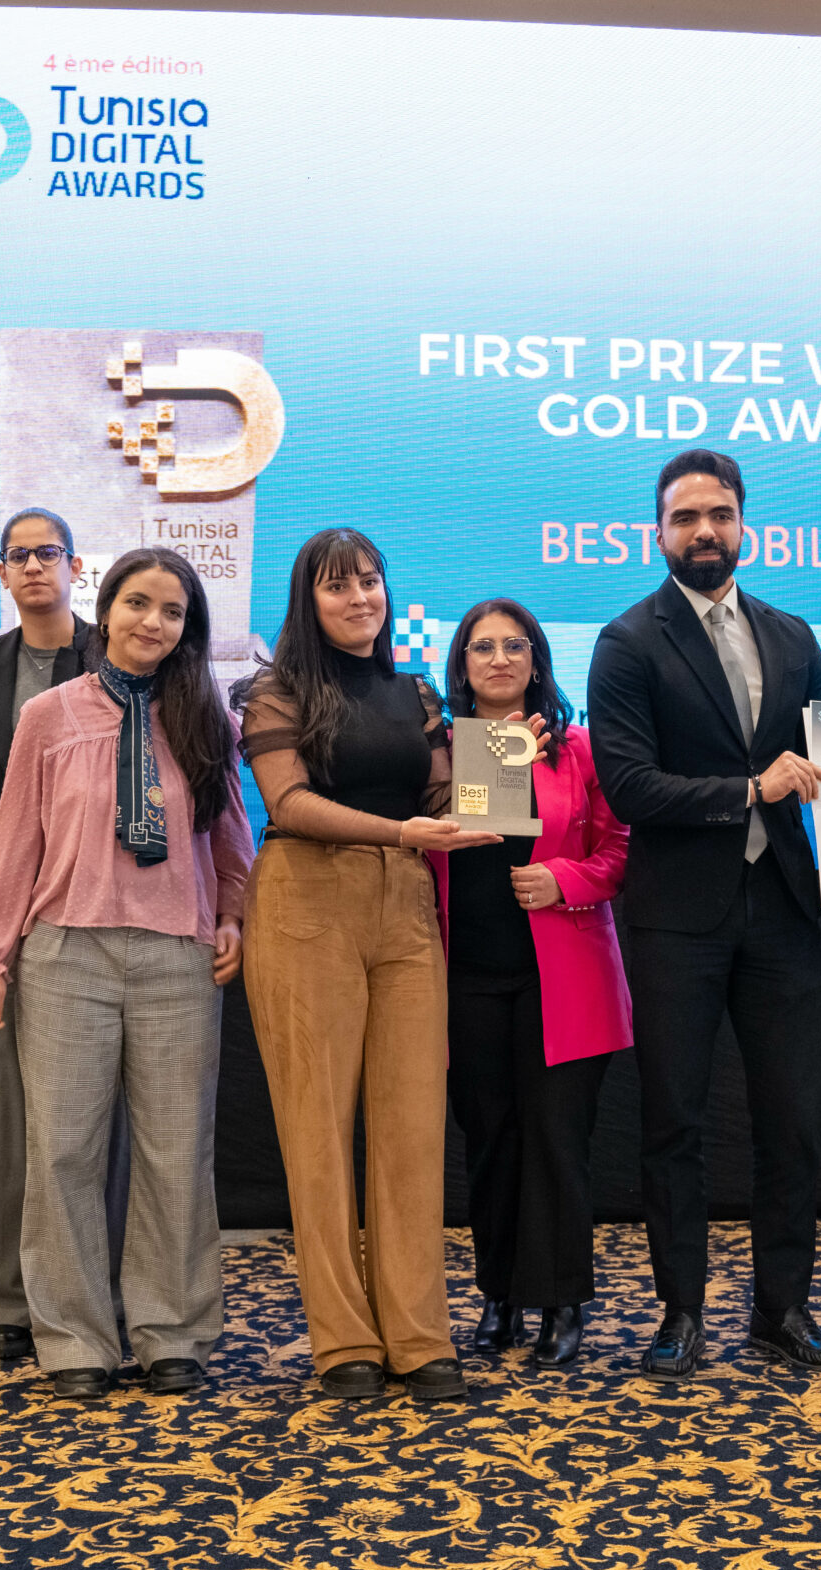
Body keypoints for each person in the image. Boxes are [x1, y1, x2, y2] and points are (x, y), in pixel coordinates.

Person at [0, 547, 252, 1400]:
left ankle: (172, 1330)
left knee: (175, 1151)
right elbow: (13, 840)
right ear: (108, 607)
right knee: (63, 1151)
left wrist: (233, 914)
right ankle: (74, 1337)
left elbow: (230, 836)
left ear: (187, 629)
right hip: (66, 955)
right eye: (138, 603)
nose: (153, 622)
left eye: (172, 611)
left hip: (177, 958)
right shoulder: (48, 715)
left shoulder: (206, 716)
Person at [589, 448, 821, 1380]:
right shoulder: (627, 641)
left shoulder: (794, 636)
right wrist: (747, 789)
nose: (705, 530)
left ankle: (783, 1308)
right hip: (677, 918)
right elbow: (629, 785)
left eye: (720, 514)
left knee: (793, 1121)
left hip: (783, 905)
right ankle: (681, 1311)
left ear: (744, 525)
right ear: (658, 532)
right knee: (674, 1123)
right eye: (686, 517)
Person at [238, 528, 484, 1403]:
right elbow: (289, 803)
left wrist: (507, 755)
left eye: (371, 582)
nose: (360, 599)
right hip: (305, 899)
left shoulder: (415, 692)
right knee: (317, 1129)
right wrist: (401, 832)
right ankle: (343, 1337)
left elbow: (446, 799)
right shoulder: (273, 691)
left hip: (404, 905)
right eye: (339, 586)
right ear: (308, 600)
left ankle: (418, 1334)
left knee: (413, 1127)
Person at [434, 598, 632, 1369]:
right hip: (465, 978)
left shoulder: (578, 749)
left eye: (514, 645)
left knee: (556, 1142)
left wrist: (565, 879)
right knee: (490, 1142)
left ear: (537, 660)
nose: (499, 658)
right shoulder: (438, 752)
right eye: (482, 646)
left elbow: (620, 850)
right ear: (461, 664)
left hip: (563, 978)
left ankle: (561, 1300)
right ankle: (499, 1295)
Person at [0, 508, 100, 1362]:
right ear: (2, 572)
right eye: (18, 555)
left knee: (86, 1124)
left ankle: (88, 1293)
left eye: (49, 552)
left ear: (76, 565)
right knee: (4, 1114)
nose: (35, 566)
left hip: (88, 906)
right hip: (1, 914)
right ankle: (1, 1295)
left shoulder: (113, 653)